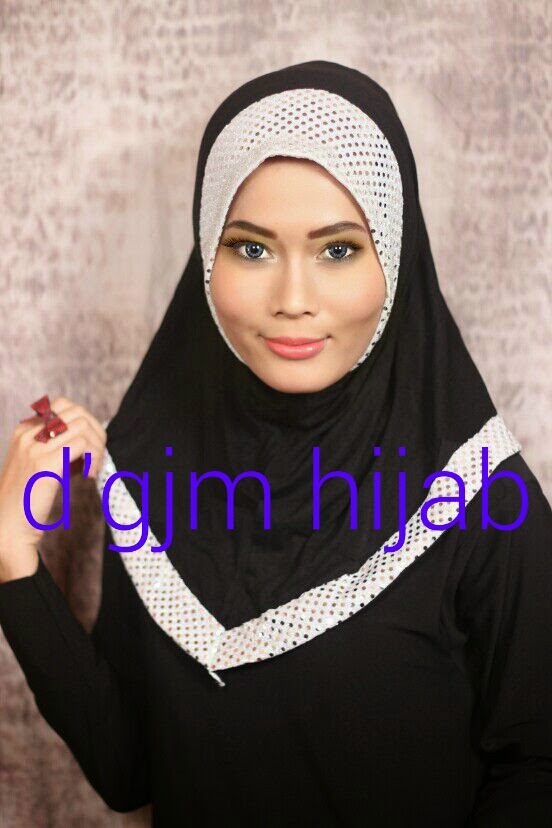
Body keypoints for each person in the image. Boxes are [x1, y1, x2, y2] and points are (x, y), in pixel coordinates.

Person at [0, 59, 551, 827]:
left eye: (338, 250)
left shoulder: (482, 496)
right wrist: (14, 557)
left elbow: (539, 766)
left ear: (395, 256)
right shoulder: (152, 468)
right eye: (252, 249)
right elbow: (128, 770)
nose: (293, 300)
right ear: (207, 254)